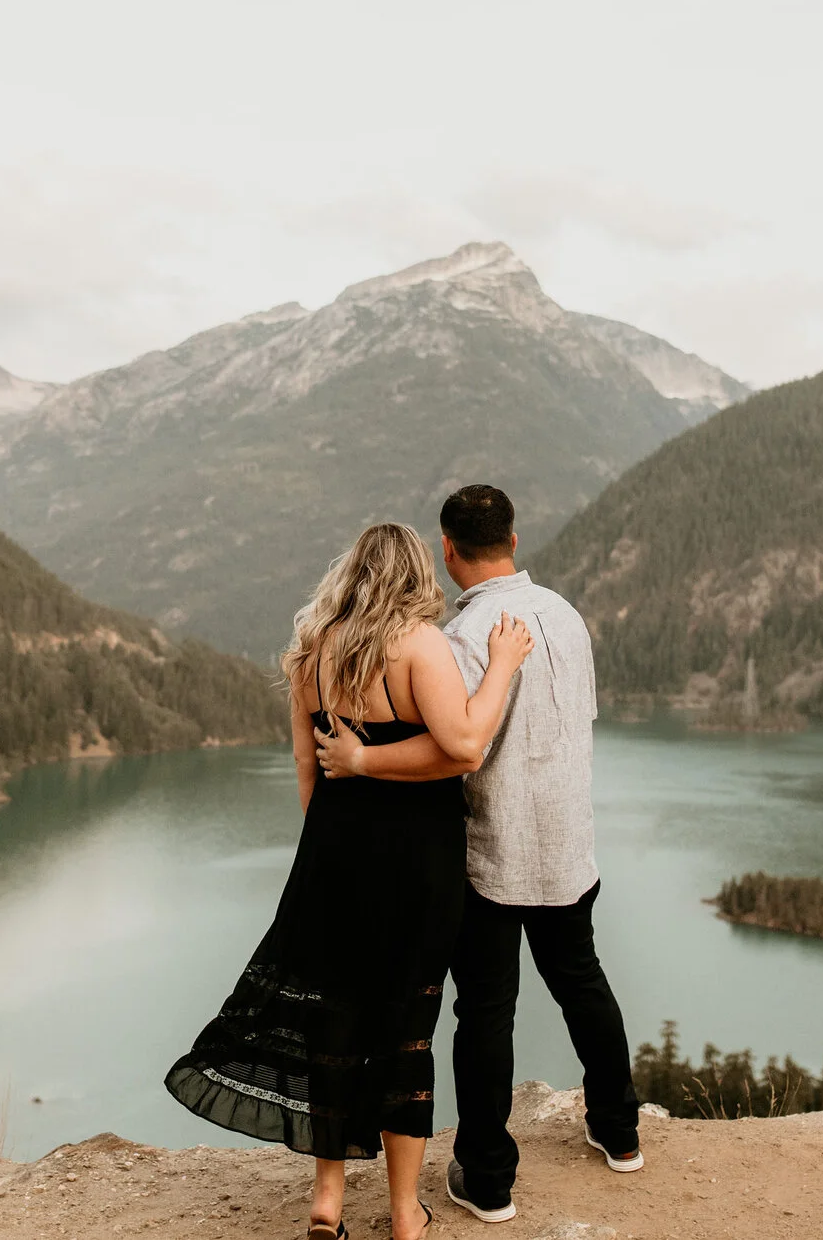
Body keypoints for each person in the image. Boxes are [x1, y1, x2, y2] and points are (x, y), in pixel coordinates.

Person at [166, 521, 536, 1240]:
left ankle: (327, 1201)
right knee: (407, 1032)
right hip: (417, 864)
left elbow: (309, 775)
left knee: (331, 1024)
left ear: (352, 572)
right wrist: (503, 665)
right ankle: (403, 1214)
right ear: (415, 575)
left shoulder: (310, 654)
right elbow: (462, 744)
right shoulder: (417, 643)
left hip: (331, 859)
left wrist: (339, 843)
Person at [315, 484, 642, 1225]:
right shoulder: (564, 615)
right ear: (515, 541)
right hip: (567, 849)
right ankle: (619, 1133)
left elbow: (453, 751)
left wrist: (362, 764)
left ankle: (490, 1179)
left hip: (493, 854)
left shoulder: (464, 636)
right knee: (584, 985)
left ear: (449, 549)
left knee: (487, 1014)